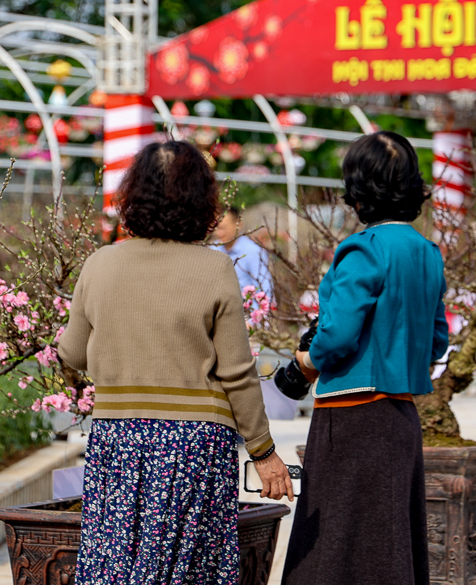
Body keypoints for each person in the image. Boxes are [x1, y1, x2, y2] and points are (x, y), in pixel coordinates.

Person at [59, 140, 294, 585]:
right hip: (195, 445)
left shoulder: (99, 263)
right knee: (189, 569)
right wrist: (263, 451)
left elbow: (71, 353)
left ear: (133, 196)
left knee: (116, 564)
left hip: (119, 436)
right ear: (201, 200)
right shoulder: (214, 269)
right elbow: (237, 372)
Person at [282, 130, 450, 585]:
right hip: (401, 416)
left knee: (334, 542)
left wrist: (304, 362)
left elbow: (336, 338)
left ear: (359, 191)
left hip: (351, 413)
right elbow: (437, 343)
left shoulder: (362, 249)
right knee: (390, 540)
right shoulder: (428, 253)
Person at [212, 205, 273, 299]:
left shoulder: (253, 251)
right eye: (217, 228)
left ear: (238, 224)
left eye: (224, 228)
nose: (220, 233)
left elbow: (265, 290)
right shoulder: (213, 249)